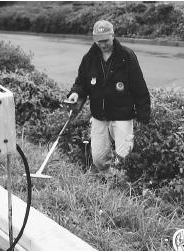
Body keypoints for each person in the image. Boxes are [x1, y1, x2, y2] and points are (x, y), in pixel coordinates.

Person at [65, 20, 151, 173]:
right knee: (98, 158)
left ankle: (120, 183)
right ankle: (107, 178)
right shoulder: (89, 58)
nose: (102, 44)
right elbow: (81, 82)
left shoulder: (127, 56)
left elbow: (140, 88)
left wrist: (143, 118)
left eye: (105, 40)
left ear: (113, 35)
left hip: (123, 115)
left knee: (124, 158)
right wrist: (75, 93)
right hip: (99, 115)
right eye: (99, 41)